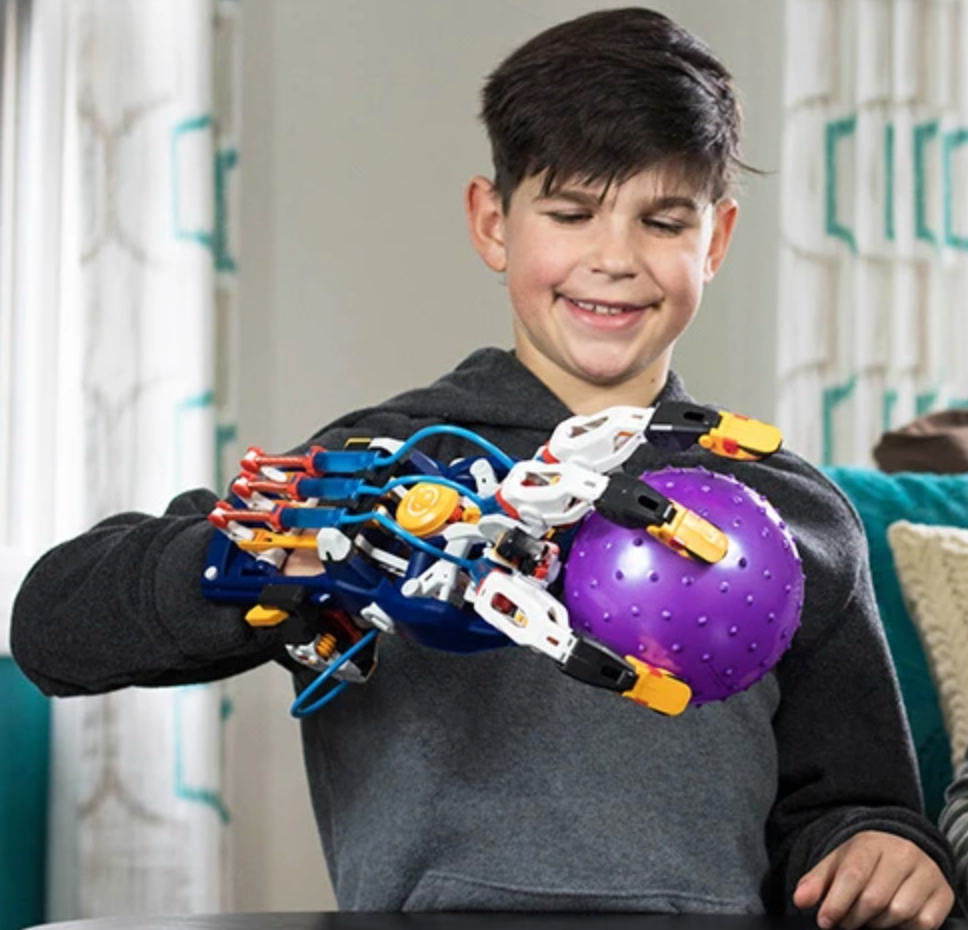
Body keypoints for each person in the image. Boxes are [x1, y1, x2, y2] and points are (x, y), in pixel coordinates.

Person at [10, 7, 956, 926]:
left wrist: (879, 844)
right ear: (494, 222)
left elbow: (854, 807)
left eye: (664, 222)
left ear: (715, 240)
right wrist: (265, 559)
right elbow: (54, 624)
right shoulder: (371, 467)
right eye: (572, 212)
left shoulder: (791, 507)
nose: (616, 260)